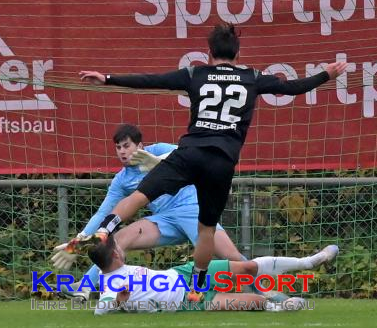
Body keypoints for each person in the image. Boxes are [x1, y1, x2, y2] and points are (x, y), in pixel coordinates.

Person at [61, 23, 347, 289]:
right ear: (238, 53)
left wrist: (108, 78)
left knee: (138, 196)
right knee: (207, 229)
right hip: (221, 162)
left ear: (209, 53)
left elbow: (152, 80)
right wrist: (327, 74)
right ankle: (198, 285)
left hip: (190, 153)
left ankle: (105, 231)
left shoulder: (195, 74)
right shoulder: (252, 78)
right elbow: (292, 88)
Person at [53, 124, 245, 300]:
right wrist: (78, 242)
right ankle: (86, 286)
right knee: (119, 239)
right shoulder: (121, 180)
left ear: (140, 145)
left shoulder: (159, 150)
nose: (122, 151)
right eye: (118, 148)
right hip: (164, 221)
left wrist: (158, 161)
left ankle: (266, 289)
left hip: (192, 211)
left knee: (233, 258)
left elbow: (190, 155)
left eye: (126, 146)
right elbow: (104, 214)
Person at [85, 233, 339, 315]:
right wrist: (117, 300)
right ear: (116, 256)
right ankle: (281, 307)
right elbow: (101, 308)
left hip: (185, 275)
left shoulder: (102, 265)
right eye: (118, 246)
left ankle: (308, 261)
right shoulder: (112, 282)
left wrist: (75, 245)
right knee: (257, 303)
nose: (121, 247)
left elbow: (90, 245)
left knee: (247, 267)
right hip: (189, 302)